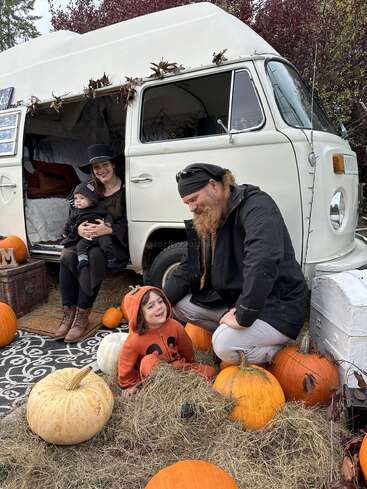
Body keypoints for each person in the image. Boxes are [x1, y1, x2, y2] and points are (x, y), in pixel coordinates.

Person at [163, 163, 308, 365]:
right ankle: (237, 335)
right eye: (187, 203)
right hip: (235, 301)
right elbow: (188, 266)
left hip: (277, 305)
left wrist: (242, 315)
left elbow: (261, 261)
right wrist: (157, 301)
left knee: (222, 344)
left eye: (194, 199)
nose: (191, 208)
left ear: (214, 186)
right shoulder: (208, 216)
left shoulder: (257, 206)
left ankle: (277, 356)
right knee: (179, 305)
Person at [54, 144, 129, 343]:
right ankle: (68, 312)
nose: (101, 170)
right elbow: (73, 214)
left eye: (105, 165)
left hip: (110, 243)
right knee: (66, 256)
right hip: (83, 240)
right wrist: (77, 229)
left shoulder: (125, 189)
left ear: (113, 165)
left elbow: (129, 221)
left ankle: (82, 315)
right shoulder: (87, 188)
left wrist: (109, 229)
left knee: (94, 257)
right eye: (96, 168)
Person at [118, 285, 216, 397]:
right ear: (139, 315)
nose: (159, 307)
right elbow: (125, 363)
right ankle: (160, 393)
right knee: (148, 361)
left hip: (179, 369)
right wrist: (128, 385)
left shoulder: (175, 326)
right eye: (151, 306)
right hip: (154, 379)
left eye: (160, 301)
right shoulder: (135, 339)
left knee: (211, 372)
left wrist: (191, 365)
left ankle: (182, 389)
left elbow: (186, 348)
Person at [61, 182, 117, 272]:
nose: (78, 201)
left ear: (91, 200)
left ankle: (111, 260)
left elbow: (108, 215)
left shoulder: (98, 209)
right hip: (87, 237)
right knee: (80, 246)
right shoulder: (76, 212)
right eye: (76, 198)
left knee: (107, 244)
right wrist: (65, 232)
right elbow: (69, 223)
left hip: (101, 234)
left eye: (82, 198)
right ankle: (83, 260)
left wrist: (108, 223)